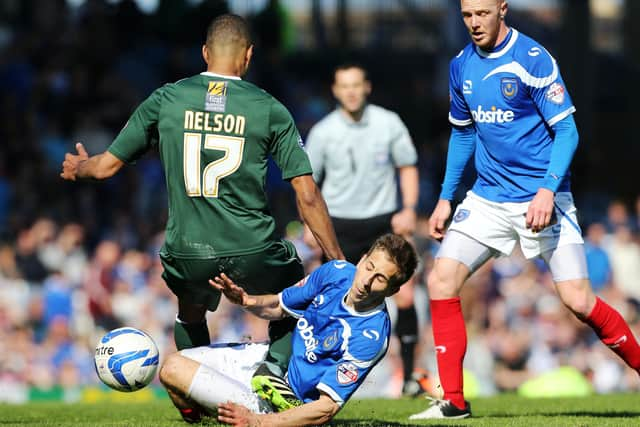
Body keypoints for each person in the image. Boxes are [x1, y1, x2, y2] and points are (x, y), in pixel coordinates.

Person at [60, 13, 343, 382]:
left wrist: (79, 167)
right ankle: (273, 375)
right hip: (252, 246)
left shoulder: (166, 98)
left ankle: (192, 394)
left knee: (190, 312)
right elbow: (306, 194)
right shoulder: (270, 108)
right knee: (291, 299)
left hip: (188, 248)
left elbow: (104, 168)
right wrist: (338, 261)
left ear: (205, 52)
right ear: (249, 55)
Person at [409, 0, 640, 420]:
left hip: (542, 199)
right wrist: (446, 197)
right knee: (442, 278)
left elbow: (567, 130)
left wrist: (548, 190)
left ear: (502, 8)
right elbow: (462, 135)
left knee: (578, 300)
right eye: (466, 15)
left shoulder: (532, 58)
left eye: (482, 13)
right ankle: (454, 402)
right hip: (487, 199)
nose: (474, 23)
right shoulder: (460, 64)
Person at [159, 233, 418, 425]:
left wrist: (258, 422)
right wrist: (246, 300)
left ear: (393, 290)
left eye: (380, 279)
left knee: (175, 370)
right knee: (171, 367)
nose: (366, 281)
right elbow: (279, 306)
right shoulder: (336, 272)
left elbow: (326, 408)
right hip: (265, 363)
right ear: (362, 259)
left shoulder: (371, 335)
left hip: (282, 404)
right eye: (369, 267)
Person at [304, 63, 423, 395]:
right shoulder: (324, 131)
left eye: (357, 85)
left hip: (382, 222)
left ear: (367, 87)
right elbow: (307, 184)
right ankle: (312, 377)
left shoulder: (388, 123)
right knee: (323, 297)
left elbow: (407, 166)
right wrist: (307, 225)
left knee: (406, 295)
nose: (351, 91)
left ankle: (410, 376)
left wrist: (410, 209)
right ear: (335, 90)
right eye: (345, 86)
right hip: (338, 223)